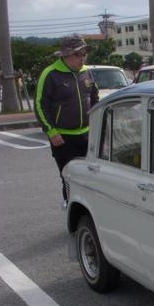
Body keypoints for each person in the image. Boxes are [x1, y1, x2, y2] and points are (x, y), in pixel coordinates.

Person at [35, 34, 99, 205]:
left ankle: (88, 212)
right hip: (62, 138)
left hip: (87, 135)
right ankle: (72, 211)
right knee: (70, 178)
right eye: (78, 54)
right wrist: (51, 131)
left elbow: (94, 99)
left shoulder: (86, 72)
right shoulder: (50, 74)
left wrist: (97, 123)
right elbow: (41, 105)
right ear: (66, 55)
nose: (83, 58)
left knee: (91, 177)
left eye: (84, 53)